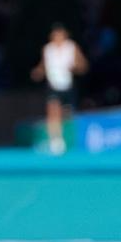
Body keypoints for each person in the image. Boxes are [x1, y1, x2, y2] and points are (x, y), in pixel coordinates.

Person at [31, 24, 88, 155]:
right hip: (53, 86)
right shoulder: (47, 49)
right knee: (52, 112)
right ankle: (55, 141)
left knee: (66, 114)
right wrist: (38, 72)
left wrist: (75, 67)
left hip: (67, 85)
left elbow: (83, 66)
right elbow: (43, 66)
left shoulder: (72, 47)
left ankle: (68, 139)